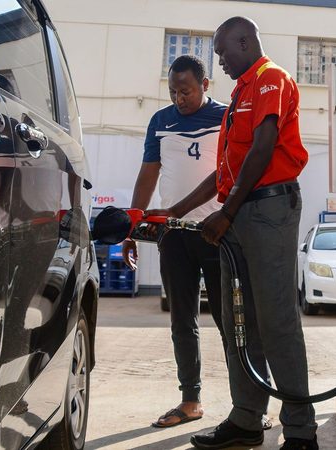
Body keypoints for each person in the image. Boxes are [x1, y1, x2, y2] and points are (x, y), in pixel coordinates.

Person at [148, 16, 318, 450]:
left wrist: (226, 213)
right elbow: (225, 173)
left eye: (223, 52)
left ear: (245, 41)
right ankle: (246, 420)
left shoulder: (270, 79)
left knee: (277, 321)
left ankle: (300, 431)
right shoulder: (240, 92)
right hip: (240, 214)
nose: (219, 62)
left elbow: (263, 148)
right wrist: (175, 210)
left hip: (268, 211)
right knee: (241, 323)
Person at [122, 55, 227, 428]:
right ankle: (191, 400)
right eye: (173, 91)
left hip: (217, 233)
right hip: (174, 236)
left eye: (186, 90)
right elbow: (149, 174)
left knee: (230, 319)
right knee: (182, 320)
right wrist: (132, 228)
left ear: (205, 86)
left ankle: (247, 405)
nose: (179, 98)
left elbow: (229, 172)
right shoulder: (160, 122)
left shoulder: (225, 118)